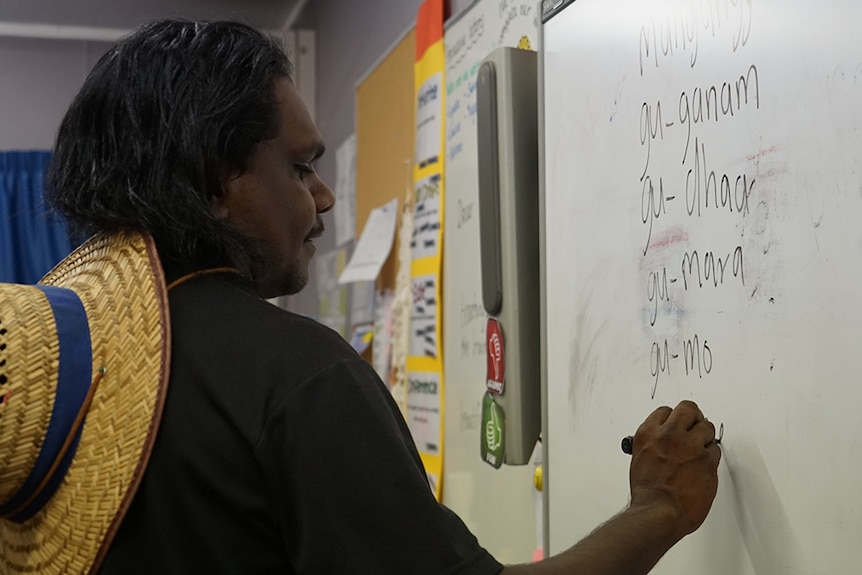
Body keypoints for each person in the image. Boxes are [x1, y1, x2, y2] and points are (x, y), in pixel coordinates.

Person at [0, 19, 720, 574]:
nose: (320, 198)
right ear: (221, 181)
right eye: (301, 165)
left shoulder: (78, 372)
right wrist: (659, 507)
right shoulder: (294, 375)